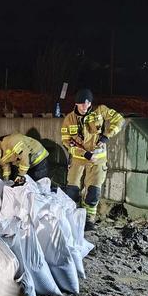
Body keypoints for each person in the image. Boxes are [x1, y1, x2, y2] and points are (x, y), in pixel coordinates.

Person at [61, 88, 124, 231]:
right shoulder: (69, 119)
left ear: (90, 103)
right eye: (81, 104)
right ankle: (72, 217)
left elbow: (119, 119)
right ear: (76, 104)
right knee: (72, 191)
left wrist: (107, 135)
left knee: (93, 191)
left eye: (87, 103)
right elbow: (66, 141)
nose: (84, 107)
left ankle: (89, 219)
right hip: (78, 160)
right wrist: (83, 153)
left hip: (97, 161)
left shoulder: (100, 111)